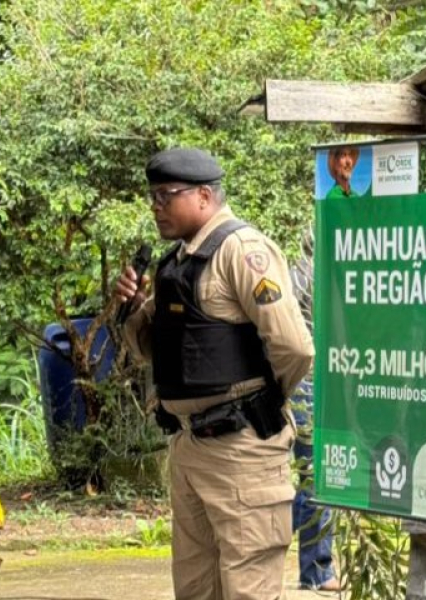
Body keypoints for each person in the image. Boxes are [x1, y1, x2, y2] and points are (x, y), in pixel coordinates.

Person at [114, 147, 314, 600]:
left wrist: (261, 403)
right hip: (190, 446)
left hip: (241, 448)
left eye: (166, 195)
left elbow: (294, 347)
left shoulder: (241, 251)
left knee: (248, 589)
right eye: (152, 196)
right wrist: (132, 307)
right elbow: (152, 351)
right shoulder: (177, 264)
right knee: (196, 588)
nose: (155, 206)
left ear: (204, 195)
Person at [290, 228, 340, 592]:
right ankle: (317, 570)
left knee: (308, 474)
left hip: (295, 384)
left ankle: (276, 539)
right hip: (311, 383)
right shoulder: (319, 275)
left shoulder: (294, 272)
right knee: (318, 476)